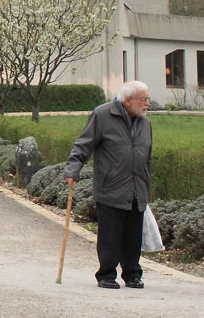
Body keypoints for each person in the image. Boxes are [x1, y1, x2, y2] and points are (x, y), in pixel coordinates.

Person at [64, 81, 153, 290]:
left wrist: (146, 186)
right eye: (144, 99)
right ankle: (106, 274)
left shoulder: (144, 123)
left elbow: (147, 157)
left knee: (133, 235)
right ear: (127, 100)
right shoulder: (102, 115)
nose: (148, 103)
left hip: (136, 187)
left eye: (148, 98)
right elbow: (83, 144)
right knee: (110, 235)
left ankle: (132, 273)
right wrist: (72, 169)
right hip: (110, 186)